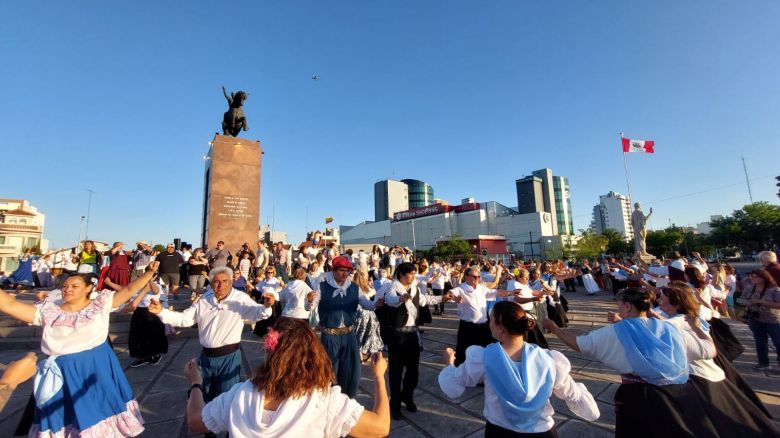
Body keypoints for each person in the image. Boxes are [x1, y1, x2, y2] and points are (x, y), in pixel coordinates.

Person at [0, 262, 161, 436]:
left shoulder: (99, 305)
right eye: (65, 286)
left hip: (93, 368)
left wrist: (149, 272)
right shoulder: (48, 311)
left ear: (88, 288)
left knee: (97, 414)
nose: (67, 289)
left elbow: (129, 290)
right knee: (63, 417)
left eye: (74, 286)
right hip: (60, 372)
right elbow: (9, 304)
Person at [542, 287, 725, 437]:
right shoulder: (669, 328)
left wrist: (554, 328)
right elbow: (709, 350)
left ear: (628, 306)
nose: (619, 310)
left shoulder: (617, 331)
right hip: (680, 393)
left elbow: (579, 344)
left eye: (620, 306)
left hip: (639, 396)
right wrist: (697, 329)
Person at [182, 318, 390, 438]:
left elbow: (195, 422)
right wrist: (379, 377)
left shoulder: (239, 395)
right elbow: (380, 427)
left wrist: (195, 383)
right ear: (313, 353)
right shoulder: (324, 402)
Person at [439, 301, 599, 437]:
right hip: (543, 432)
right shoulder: (550, 359)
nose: (489, 324)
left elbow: (455, 383)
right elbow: (572, 394)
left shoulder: (483, 358)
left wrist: (449, 362)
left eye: (491, 319)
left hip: (500, 432)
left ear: (500, 328)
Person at [656, 285, 777, 430]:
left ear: (675, 304)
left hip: (697, 373)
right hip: (709, 369)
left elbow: (706, 346)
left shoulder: (674, 323)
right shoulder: (689, 316)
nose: (659, 301)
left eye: (662, 299)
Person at [149, 266, 276, 403]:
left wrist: (267, 306)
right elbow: (185, 319)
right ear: (210, 283)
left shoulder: (240, 299)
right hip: (206, 358)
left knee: (227, 398)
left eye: (225, 281)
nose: (221, 285)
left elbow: (257, 312)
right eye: (216, 281)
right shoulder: (204, 299)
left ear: (231, 281)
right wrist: (161, 312)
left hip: (229, 358)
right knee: (204, 395)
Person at [381, 262, 450, 419]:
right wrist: (401, 298)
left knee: (413, 371)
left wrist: (443, 297)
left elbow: (426, 300)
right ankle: (395, 404)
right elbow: (391, 300)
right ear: (401, 275)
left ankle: (407, 395)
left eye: (414, 273)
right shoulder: (392, 287)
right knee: (396, 372)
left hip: (412, 335)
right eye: (410, 273)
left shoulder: (415, 288)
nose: (413, 276)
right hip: (397, 336)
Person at [309, 256, 376, 397]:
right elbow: (311, 305)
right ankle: (328, 399)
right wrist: (309, 301)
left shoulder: (354, 287)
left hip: (349, 335)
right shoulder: (322, 286)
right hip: (329, 335)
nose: (344, 273)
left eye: (347, 271)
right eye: (341, 270)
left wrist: (378, 304)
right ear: (334, 271)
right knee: (329, 370)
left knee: (351, 370)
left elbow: (366, 303)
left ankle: (347, 399)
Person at [449, 265, 514, 365]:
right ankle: (463, 373)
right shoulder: (461, 289)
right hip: (468, 327)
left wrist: (510, 292)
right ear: (466, 277)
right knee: (464, 351)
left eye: (478, 277)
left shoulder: (481, 288)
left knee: (486, 349)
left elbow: (496, 292)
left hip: (483, 326)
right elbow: (450, 293)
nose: (477, 279)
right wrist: (454, 298)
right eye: (474, 277)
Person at [127, 266, 169, 367]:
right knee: (136, 335)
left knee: (152, 336)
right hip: (139, 311)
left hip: (152, 312)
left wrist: (149, 279)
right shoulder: (139, 285)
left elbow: (155, 291)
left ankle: (156, 355)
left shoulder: (157, 285)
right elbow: (127, 291)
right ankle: (143, 357)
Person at [742, 269, 780, 373]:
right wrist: (746, 304)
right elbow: (743, 300)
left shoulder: (774, 290)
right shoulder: (750, 289)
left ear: (763, 278)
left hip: (772, 320)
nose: (752, 278)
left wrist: (761, 302)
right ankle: (763, 363)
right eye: (751, 276)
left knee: (778, 342)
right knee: (760, 342)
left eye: (755, 277)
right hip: (755, 319)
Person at [353, 270, 384, 362]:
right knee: (372, 335)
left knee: (358, 336)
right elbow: (375, 292)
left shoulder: (353, 289)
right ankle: (374, 356)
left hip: (358, 314)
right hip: (369, 314)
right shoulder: (367, 289)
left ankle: (360, 357)